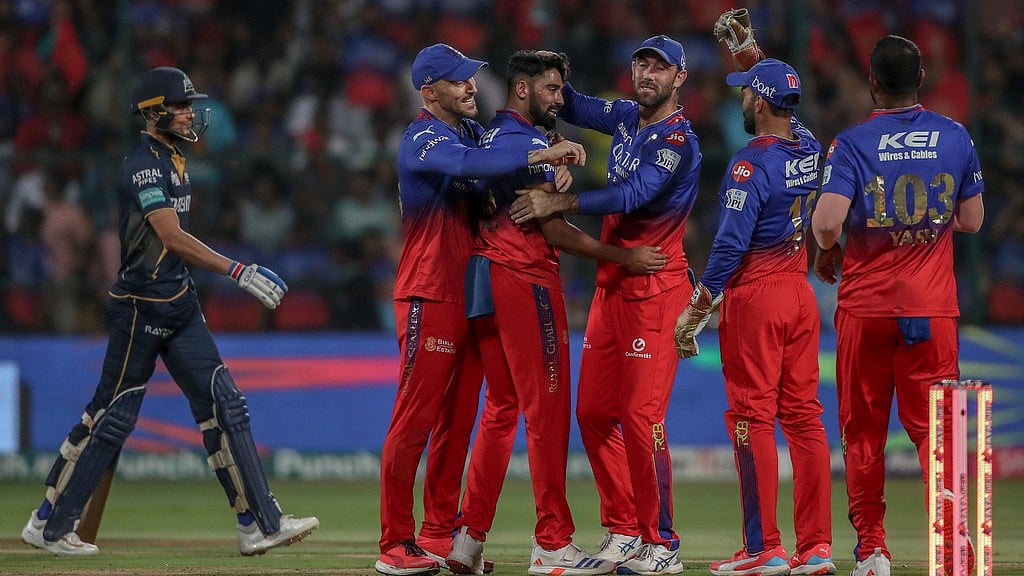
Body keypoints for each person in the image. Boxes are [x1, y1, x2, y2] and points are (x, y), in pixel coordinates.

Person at [20, 66, 319, 556]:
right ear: (153, 112)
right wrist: (237, 270)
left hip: (178, 303)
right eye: (180, 106)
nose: (188, 113)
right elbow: (170, 236)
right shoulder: (143, 163)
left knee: (226, 403)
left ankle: (258, 523)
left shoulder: (175, 158)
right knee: (111, 417)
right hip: (140, 307)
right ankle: (49, 525)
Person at [446, 49, 667, 576]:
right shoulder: (527, 143)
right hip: (526, 282)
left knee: (500, 411)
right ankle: (553, 543)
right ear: (522, 89)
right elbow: (553, 231)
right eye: (550, 89)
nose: (559, 99)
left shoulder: (495, 138)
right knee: (545, 415)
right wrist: (624, 256)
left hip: (484, 280)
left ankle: (468, 539)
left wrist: (561, 170)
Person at [378, 43, 587, 576]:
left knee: (458, 419)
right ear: (430, 91)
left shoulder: (471, 132)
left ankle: (438, 534)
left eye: (471, 79)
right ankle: (395, 542)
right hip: (429, 291)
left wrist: (554, 154)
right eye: (458, 81)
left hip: (471, 293)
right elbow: (475, 164)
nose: (471, 88)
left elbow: (497, 154)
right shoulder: (423, 137)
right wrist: (543, 153)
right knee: (415, 419)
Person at [510, 35, 700, 575]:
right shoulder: (621, 116)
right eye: (641, 63)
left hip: (656, 289)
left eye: (659, 68)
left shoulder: (677, 140)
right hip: (613, 286)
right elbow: (567, 101)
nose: (647, 73)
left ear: (678, 78)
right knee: (593, 413)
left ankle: (661, 543)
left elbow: (635, 193)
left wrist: (561, 200)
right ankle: (623, 530)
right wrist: (543, 68)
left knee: (641, 417)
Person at [811, 35, 985, 576]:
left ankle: (873, 551)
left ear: (872, 83)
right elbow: (974, 220)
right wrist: (927, 231)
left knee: (863, 434)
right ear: (922, 80)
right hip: (932, 311)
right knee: (938, 432)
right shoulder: (956, 137)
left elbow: (825, 223)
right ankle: (955, 549)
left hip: (866, 310)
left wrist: (833, 248)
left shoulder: (852, 144)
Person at [673, 58, 835, 576]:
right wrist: (752, 57)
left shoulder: (749, 164)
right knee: (806, 420)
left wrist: (697, 309)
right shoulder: (808, 150)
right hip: (800, 293)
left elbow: (727, 247)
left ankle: (764, 546)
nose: (741, 99)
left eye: (747, 92)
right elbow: (795, 117)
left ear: (759, 103)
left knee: (751, 419)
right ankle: (816, 549)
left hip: (756, 298)